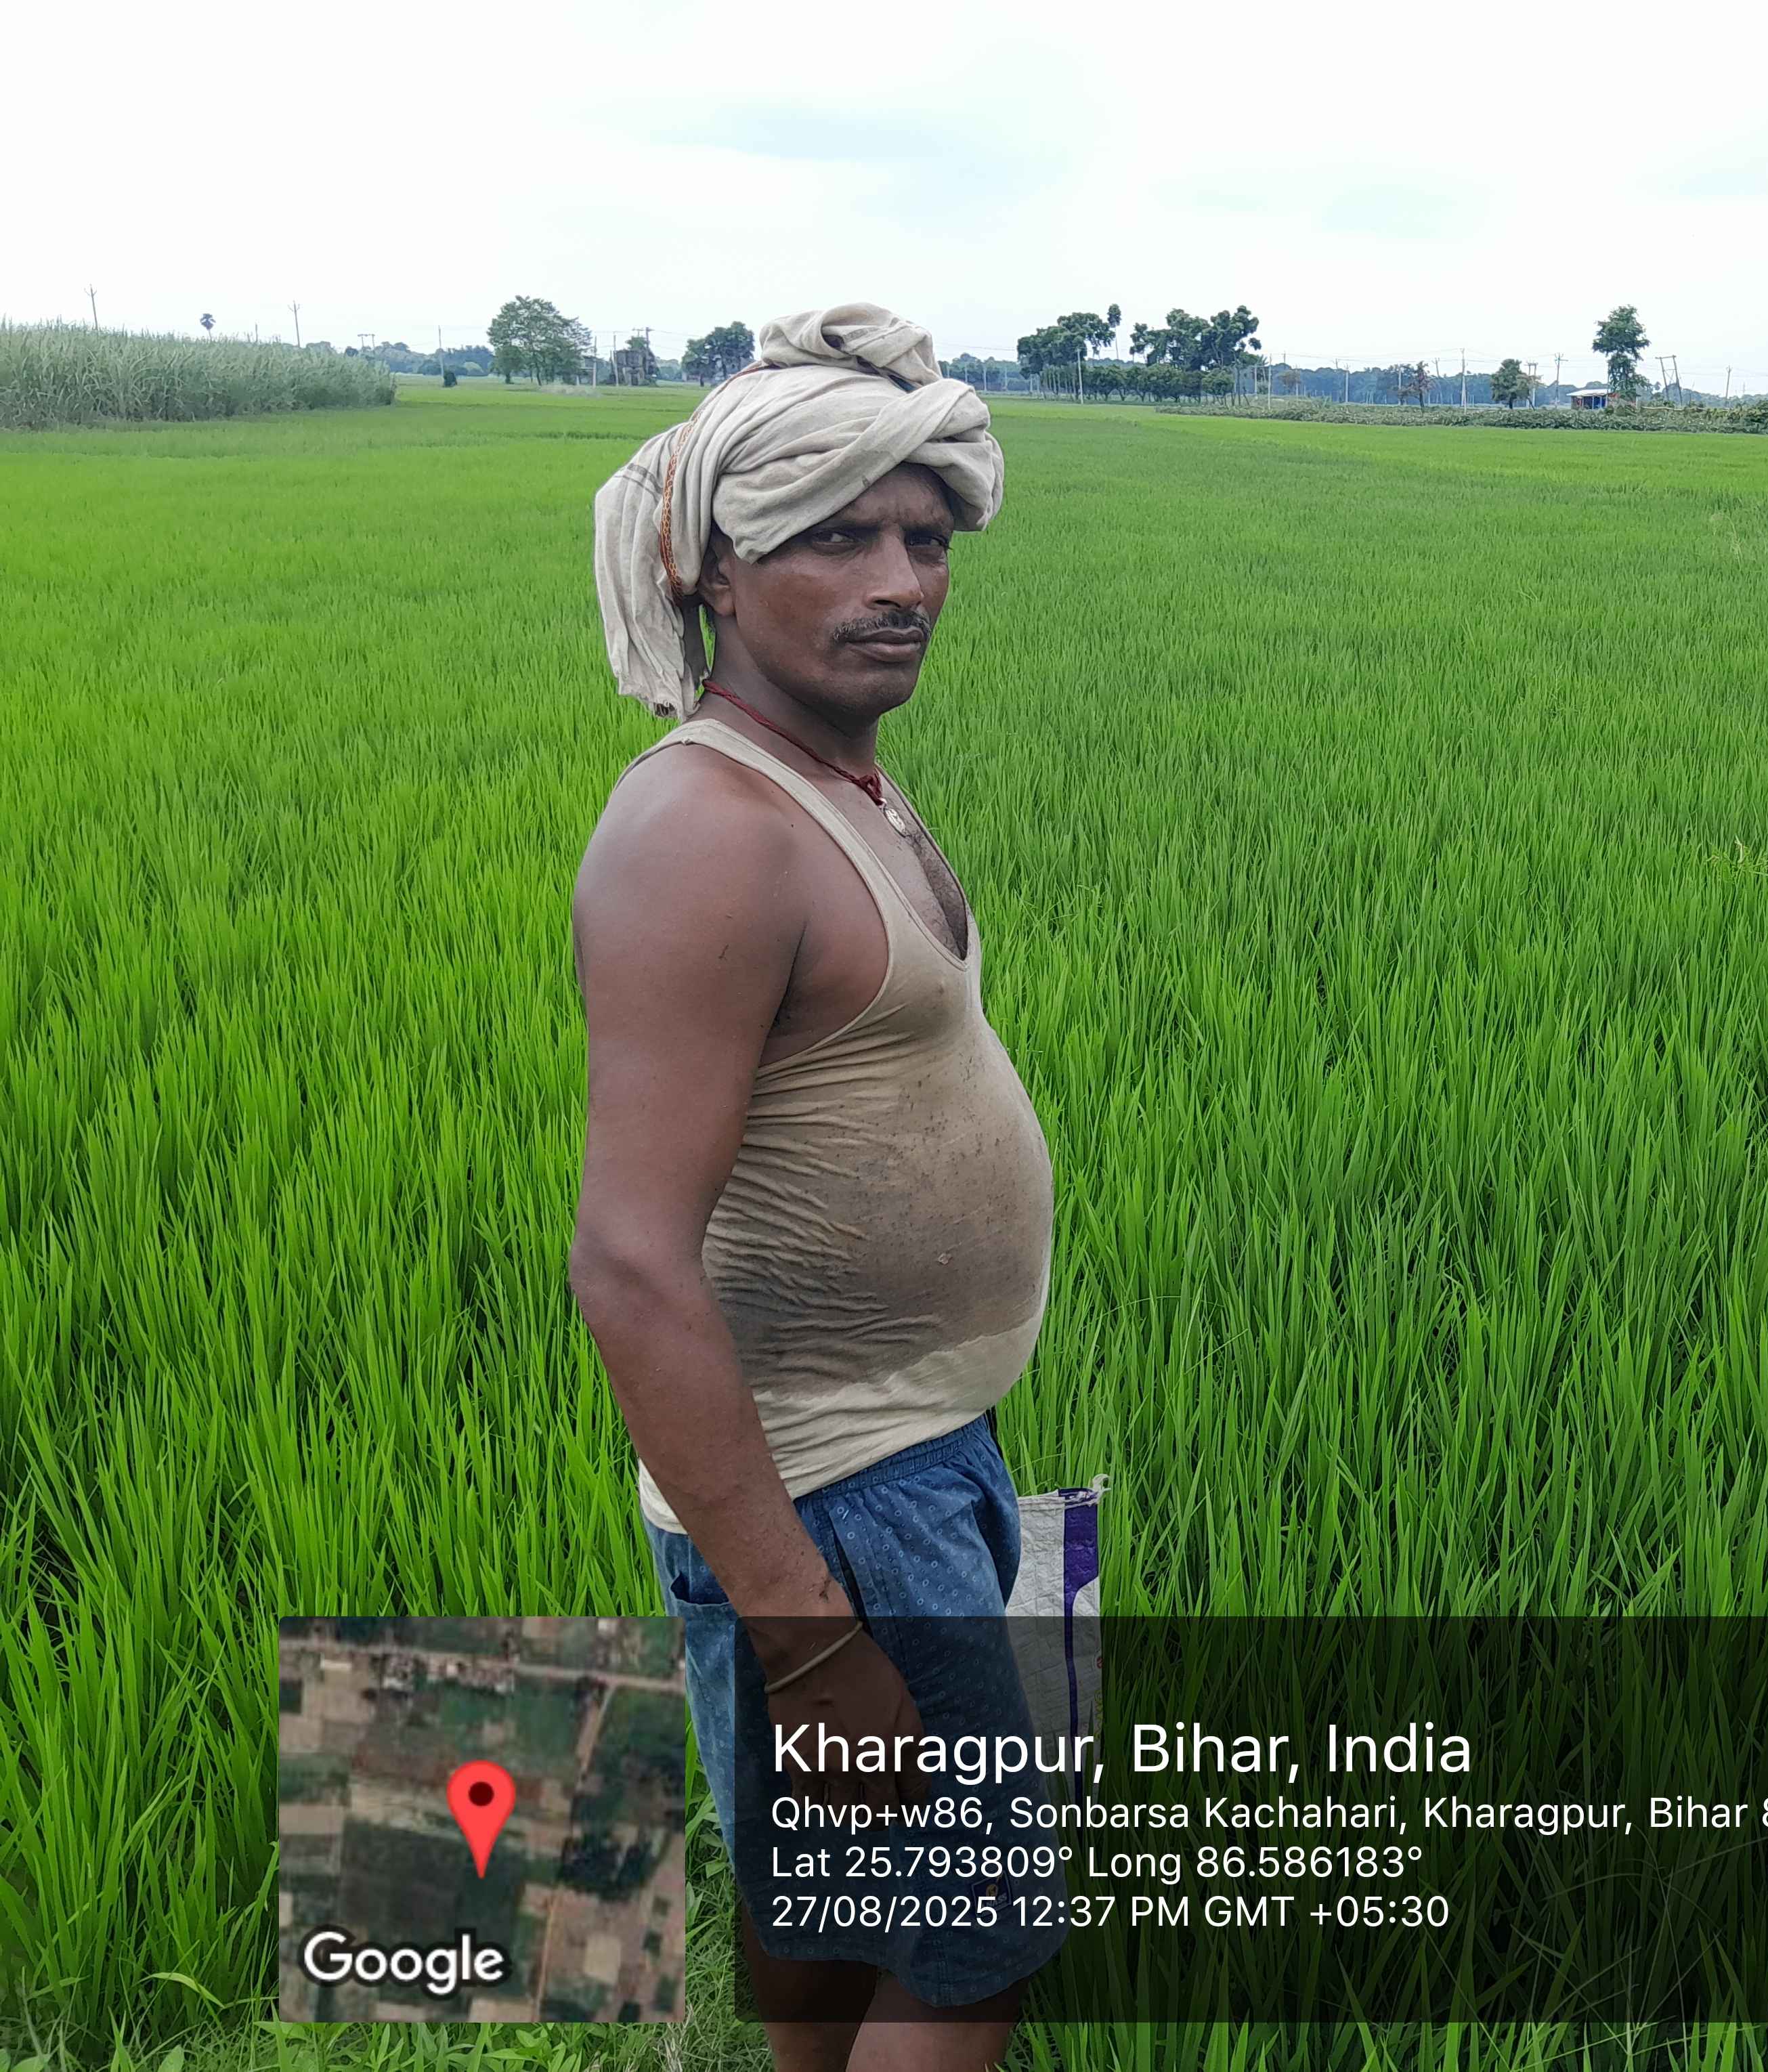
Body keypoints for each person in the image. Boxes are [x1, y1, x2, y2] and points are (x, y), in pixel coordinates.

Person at [570, 305, 1057, 2071]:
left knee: (841, 1903)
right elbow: (628, 1261)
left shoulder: (834, 777)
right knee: (981, 1938)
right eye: (838, 536)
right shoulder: (708, 829)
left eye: (926, 537)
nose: (902, 580)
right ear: (712, 564)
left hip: (902, 1460)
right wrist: (810, 1640)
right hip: (836, 1499)